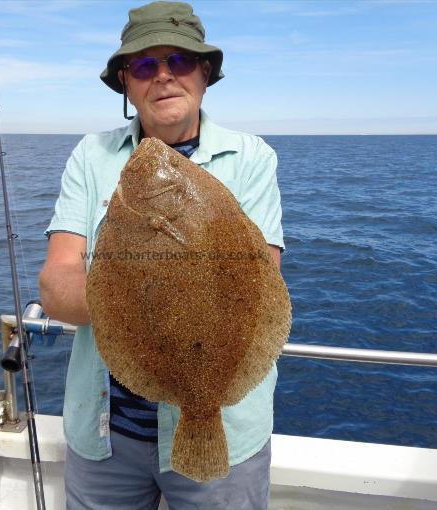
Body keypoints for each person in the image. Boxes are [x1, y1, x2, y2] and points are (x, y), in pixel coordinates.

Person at [39, 2, 285, 508]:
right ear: (126, 83)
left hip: (226, 430)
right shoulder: (93, 155)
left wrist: (146, 284)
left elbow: (262, 284)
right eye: (146, 66)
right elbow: (56, 286)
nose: (165, 77)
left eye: (181, 61)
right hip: (106, 434)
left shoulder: (252, 157)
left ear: (206, 74)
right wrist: (131, 293)